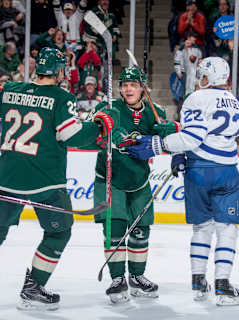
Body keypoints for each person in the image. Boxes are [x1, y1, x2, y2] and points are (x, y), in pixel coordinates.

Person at [0, 47, 120, 313]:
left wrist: (4, 94)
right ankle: (33, 288)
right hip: (46, 182)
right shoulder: (61, 96)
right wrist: (100, 124)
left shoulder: (11, 89)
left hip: (7, 178)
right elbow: (73, 136)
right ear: (60, 72)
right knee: (59, 231)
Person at [128, 57, 239, 306]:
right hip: (227, 171)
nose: (198, 79)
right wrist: (177, 145)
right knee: (227, 229)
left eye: (201, 74)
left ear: (208, 77)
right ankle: (223, 286)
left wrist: (158, 145)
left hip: (199, 170)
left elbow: (191, 138)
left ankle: (198, 281)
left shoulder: (196, 98)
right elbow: (199, 136)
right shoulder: (235, 101)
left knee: (202, 227)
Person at [91, 66, 179, 304]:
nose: (128, 89)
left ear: (142, 88)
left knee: (141, 230)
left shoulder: (154, 111)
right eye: (124, 85)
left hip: (138, 180)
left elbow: (171, 134)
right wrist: (114, 132)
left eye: (133, 85)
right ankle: (118, 279)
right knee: (115, 230)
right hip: (111, 179)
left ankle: (137, 277)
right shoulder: (111, 107)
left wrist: (167, 131)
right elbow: (97, 120)